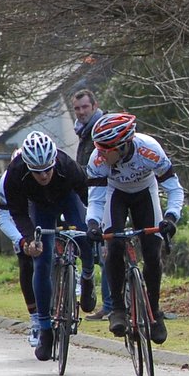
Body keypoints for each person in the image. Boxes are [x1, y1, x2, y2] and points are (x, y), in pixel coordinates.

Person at [85, 113, 184, 345]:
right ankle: (117, 308)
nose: (98, 154)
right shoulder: (97, 161)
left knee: (152, 251)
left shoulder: (149, 150)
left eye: (104, 149)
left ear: (121, 145)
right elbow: (96, 199)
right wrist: (92, 223)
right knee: (115, 244)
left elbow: (174, 188)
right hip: (114, 193)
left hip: (145, 192)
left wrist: (171, 217)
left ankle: (155, 311)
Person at [0, 131, 96, 361]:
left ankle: (88, 278)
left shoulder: (67, 165)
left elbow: (89, 197)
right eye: (37, 171)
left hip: (68, 198)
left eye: (47, 170)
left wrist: (94, 225)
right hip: (40, 208)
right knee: (42, 261)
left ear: (54, 162)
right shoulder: (15, 173)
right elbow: (18, 213)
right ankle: (45, 330)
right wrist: (29, 240)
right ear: (27, 166)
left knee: (84, 237)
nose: (43, 175)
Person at [71, 88, 113, 321]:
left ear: (95, 106)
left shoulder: (101, 129)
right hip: (92, 198)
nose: (80, 112)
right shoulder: (85, 132)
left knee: (107, 250)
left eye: (85, 107)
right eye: (77, 108)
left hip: (107, 196)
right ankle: (112, 302)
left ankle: (110, 305)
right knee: (101, 249)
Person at [0, 150, 37, 347]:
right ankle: (36, 319)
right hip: (19, 218)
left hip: (45, 209)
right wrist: (22, 241)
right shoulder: (7, 180)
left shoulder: (48, 172)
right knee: (27, 263)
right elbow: (3, 218)